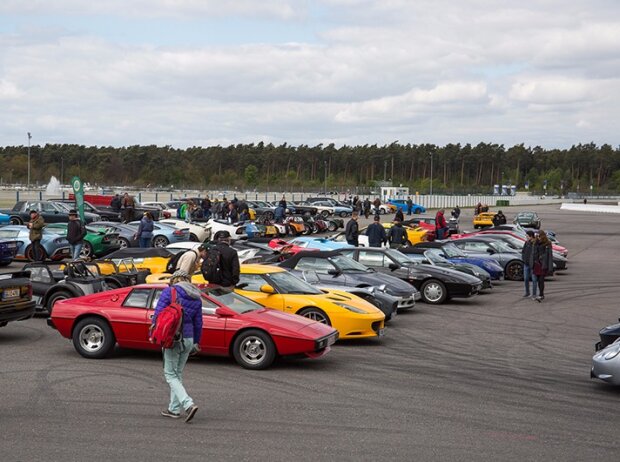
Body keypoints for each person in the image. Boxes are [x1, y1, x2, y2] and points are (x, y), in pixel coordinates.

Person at [152, 270, 202, 422]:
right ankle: (173, 409)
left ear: (175, 280)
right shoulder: (196, 297)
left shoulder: (170, 292)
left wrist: (154, 331)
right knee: (177, 374)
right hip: (188, 338)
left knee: (170, 374)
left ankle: (188, 404)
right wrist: (196, 342)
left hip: (173, 338)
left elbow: (158, 314)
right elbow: (198, 323)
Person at [533, 230, 554, 302]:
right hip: (537, 264)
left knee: (541, 280)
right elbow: (534, 253)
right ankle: (540, 293)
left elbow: (549, 255)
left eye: (539, 236)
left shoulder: (547, 243)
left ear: (542, 236)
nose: (538, 237)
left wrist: (543, 257)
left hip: (543, 264)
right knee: (538, 280)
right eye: (537, 236)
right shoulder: (536, 243)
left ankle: (541, 294)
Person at [521, 230, 538, 299]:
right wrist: (524, 259)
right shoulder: (526, 243)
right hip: (526, 264)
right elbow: (523, 252)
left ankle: (534, 294)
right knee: (526, 278)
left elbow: (537, 253)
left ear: (531, 236)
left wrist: (535, 262)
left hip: (533, 265)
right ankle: (527, 292)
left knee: (534, 280)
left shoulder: (535, 243)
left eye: (527, 236)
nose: (526, 237)